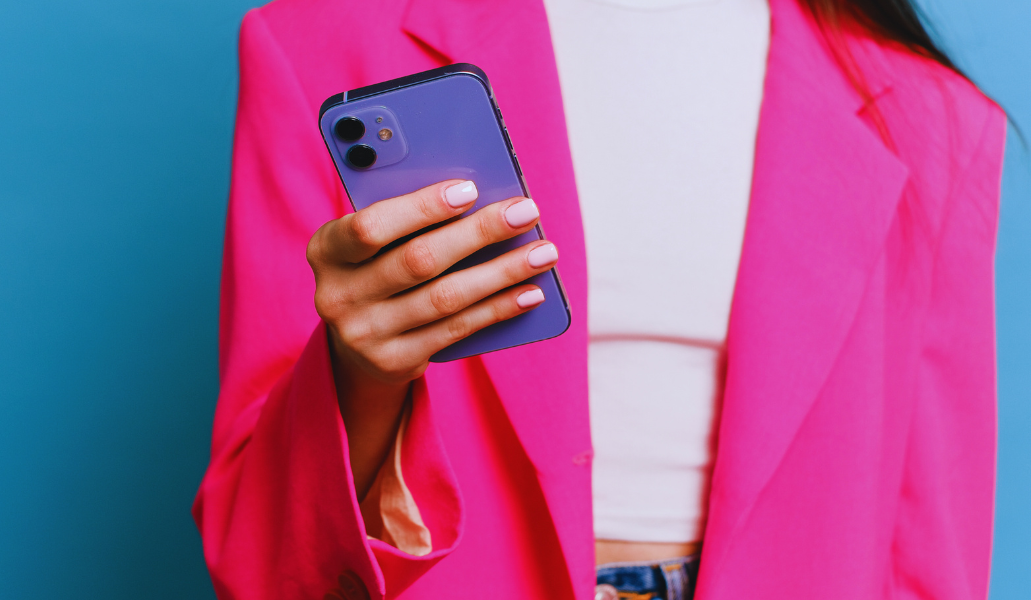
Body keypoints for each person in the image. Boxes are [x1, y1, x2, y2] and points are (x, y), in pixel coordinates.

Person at [193, 0, 1007, 598]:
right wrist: (362, 375)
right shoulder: (319, 47)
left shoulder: (934, 117)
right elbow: (260, 559)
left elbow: (931, 559)